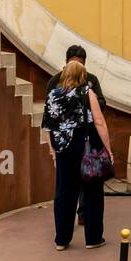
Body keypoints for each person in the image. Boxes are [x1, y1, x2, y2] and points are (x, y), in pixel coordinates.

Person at [41, 55, 113, 250]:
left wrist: (52, 150)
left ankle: (62, 240)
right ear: (83, 75)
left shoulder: (53, 95)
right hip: (86, 147)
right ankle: (93, 238)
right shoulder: (87, 92)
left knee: (64, 193)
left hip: (64, 149)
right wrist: (108, 148)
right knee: (93, 192)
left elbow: (47, 127)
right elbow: (99, 121)